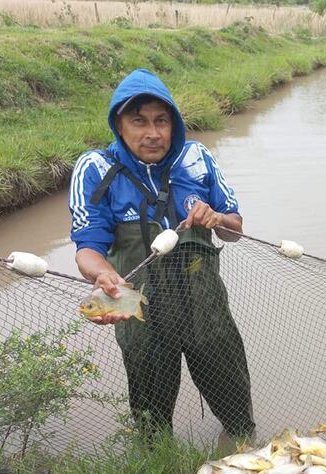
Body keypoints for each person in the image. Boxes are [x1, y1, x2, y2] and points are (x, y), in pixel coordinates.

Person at [68, 68, 255, 442]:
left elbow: (234, 230)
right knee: (150, 416)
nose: (152, 133)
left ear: (174, 124)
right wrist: (102, 276)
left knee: (231, 391)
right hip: (138, 306)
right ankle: (157, 463)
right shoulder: (95, 168)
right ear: (118, 124)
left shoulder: (197, 157)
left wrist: (216, 217)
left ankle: (241, 444)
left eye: (161, 121)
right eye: (139, 121)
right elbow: (88, 248)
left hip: (204, 304)